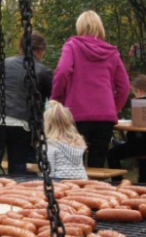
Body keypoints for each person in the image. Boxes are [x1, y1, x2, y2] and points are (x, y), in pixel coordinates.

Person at [50, 10, 130, 168]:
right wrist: (113, 109)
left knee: (73, 163)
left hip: (76, 114)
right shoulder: (112, 52)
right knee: (97, 163)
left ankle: (75, 192)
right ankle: (95, 189)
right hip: (105, 117)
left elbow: (62, 71)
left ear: (79, 27)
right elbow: (124, 87)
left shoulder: (72, 46)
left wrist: (56, 98)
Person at [0, 31, 54, 178]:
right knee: (17, 171)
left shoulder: (5, 63)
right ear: (39, 50)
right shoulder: (44, 71)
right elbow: (51, 101)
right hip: (20, 122)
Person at [44, 100, 88, 180]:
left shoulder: (50, 144)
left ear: (47, 125)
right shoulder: (78, 141)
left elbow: (49, 172)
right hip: (81, 180)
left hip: (60, 181)